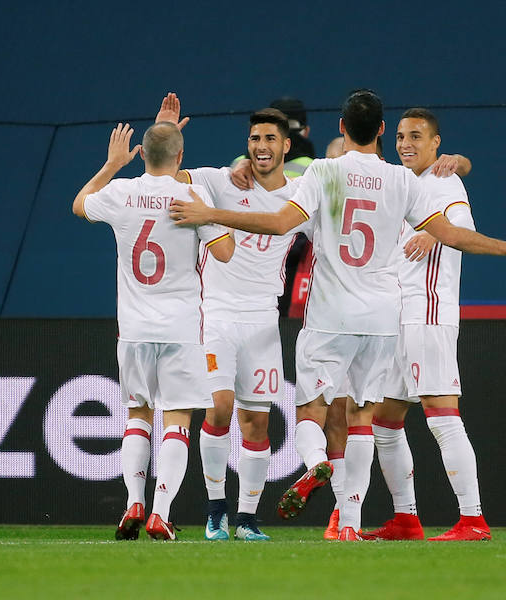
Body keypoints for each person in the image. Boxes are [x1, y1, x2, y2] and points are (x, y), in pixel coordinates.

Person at [170, 89, 506, 541]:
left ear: (342, 129)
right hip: (384, 318)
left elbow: (279, 222)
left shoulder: (325, 171)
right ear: (382, 131)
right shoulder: (402, 181)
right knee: (366, 417)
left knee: (314, 411)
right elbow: (450, 232)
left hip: (331, 315)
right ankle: (348, 525)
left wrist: (211, 212)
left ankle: (317, 464)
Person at [154, 94, 306, 541]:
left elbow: (341, 161)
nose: (261, 145)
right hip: (215, 314)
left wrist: (451, 161)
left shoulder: (300, 193)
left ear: (285, 147)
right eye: (254, 137)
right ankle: (215, 510)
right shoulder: (221, 181)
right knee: (218, 409)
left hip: (262, 318)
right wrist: (165, 132)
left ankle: (247, 518)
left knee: (257, 423)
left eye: (270, 138)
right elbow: (165, 175)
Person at [72, 121, 234, 541]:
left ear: (140, 155)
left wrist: (111, 165)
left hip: (135, 329)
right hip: (181, 328)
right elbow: (227, 252)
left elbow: (79, 204)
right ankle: (161, 511)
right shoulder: (189, 197)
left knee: (137, 415)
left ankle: (133, 503)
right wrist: (210, 214)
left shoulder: (121, 193)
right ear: (181, 159)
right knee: (177, 419)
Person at [363, 108, 490, 542]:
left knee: (441, 414)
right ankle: (406, 519)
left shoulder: (443, 181)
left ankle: (473, 520)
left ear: (436, 144)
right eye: (400, 136)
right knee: (385, 419)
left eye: (416, 136)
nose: (405, 144)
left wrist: (434, 234)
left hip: (428, 311)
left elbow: (464, 227)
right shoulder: (404, 183)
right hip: (399, 316)